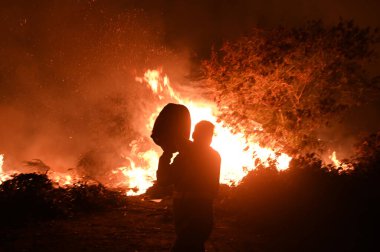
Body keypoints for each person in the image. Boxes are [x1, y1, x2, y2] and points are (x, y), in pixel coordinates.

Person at [157, 120, 221, 252]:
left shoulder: (187, 156)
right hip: (197, 209)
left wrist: (166, 155)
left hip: (190, 209)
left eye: (208, 135)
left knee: (185, 244)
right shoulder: (213, 156)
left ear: (194, 135)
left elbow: (164, 180)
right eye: (207, 135)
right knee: (194, 245)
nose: (207, 138)